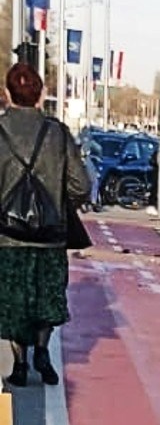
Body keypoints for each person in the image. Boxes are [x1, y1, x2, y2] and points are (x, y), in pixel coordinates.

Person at [0, 63, 90, 387]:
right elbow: (81, 185)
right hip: (51, 238)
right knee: (46, 296)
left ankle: (20, 363)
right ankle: (42, 351)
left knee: (14, 300)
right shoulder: (57, 133)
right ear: (40, 95)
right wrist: (59, 208)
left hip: (8, 239)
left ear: (7, 93)